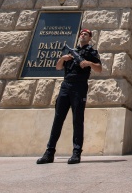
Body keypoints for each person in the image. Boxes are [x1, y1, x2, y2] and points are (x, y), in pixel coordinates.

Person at [37, 28, 102, 164]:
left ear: (90, 38)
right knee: (58, 119)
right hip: (66, 86)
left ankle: (76, 153)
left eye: (86, 34)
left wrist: (88, 63)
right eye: (82, 33)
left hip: (79, 86)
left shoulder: (91, 52)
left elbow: (99, 68)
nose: (83, 35)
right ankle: (49, 152)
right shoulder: (71, 52)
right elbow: (58, 67)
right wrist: (63, 58)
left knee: (77, 120)